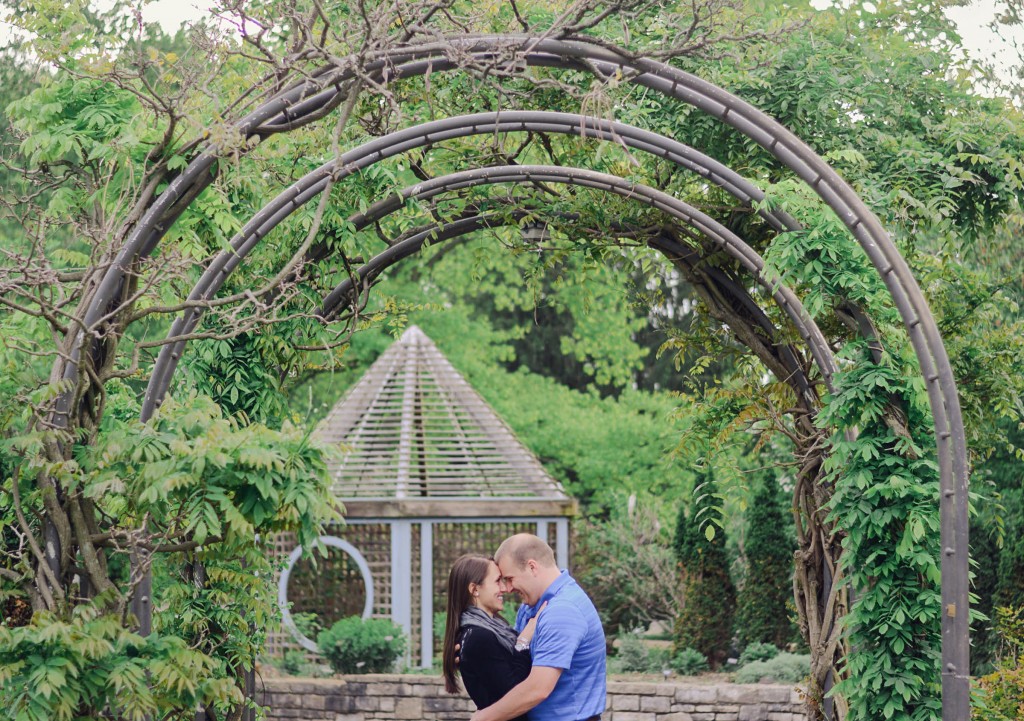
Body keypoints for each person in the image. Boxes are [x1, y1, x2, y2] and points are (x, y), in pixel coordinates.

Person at [469, 533, 606, 721]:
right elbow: (515, 661)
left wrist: (483, 718)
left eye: (509, 578)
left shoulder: (562, 610)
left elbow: (537, 689)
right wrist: (471, 651)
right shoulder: (531, 605)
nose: (507, 589)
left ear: (532, 567)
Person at [443, 554, 540, 721]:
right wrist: (523, 641)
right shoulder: (479, 637)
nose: (504, 588)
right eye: (497, 581)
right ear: (475, 589)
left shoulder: (488, 631)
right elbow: (517, 694)